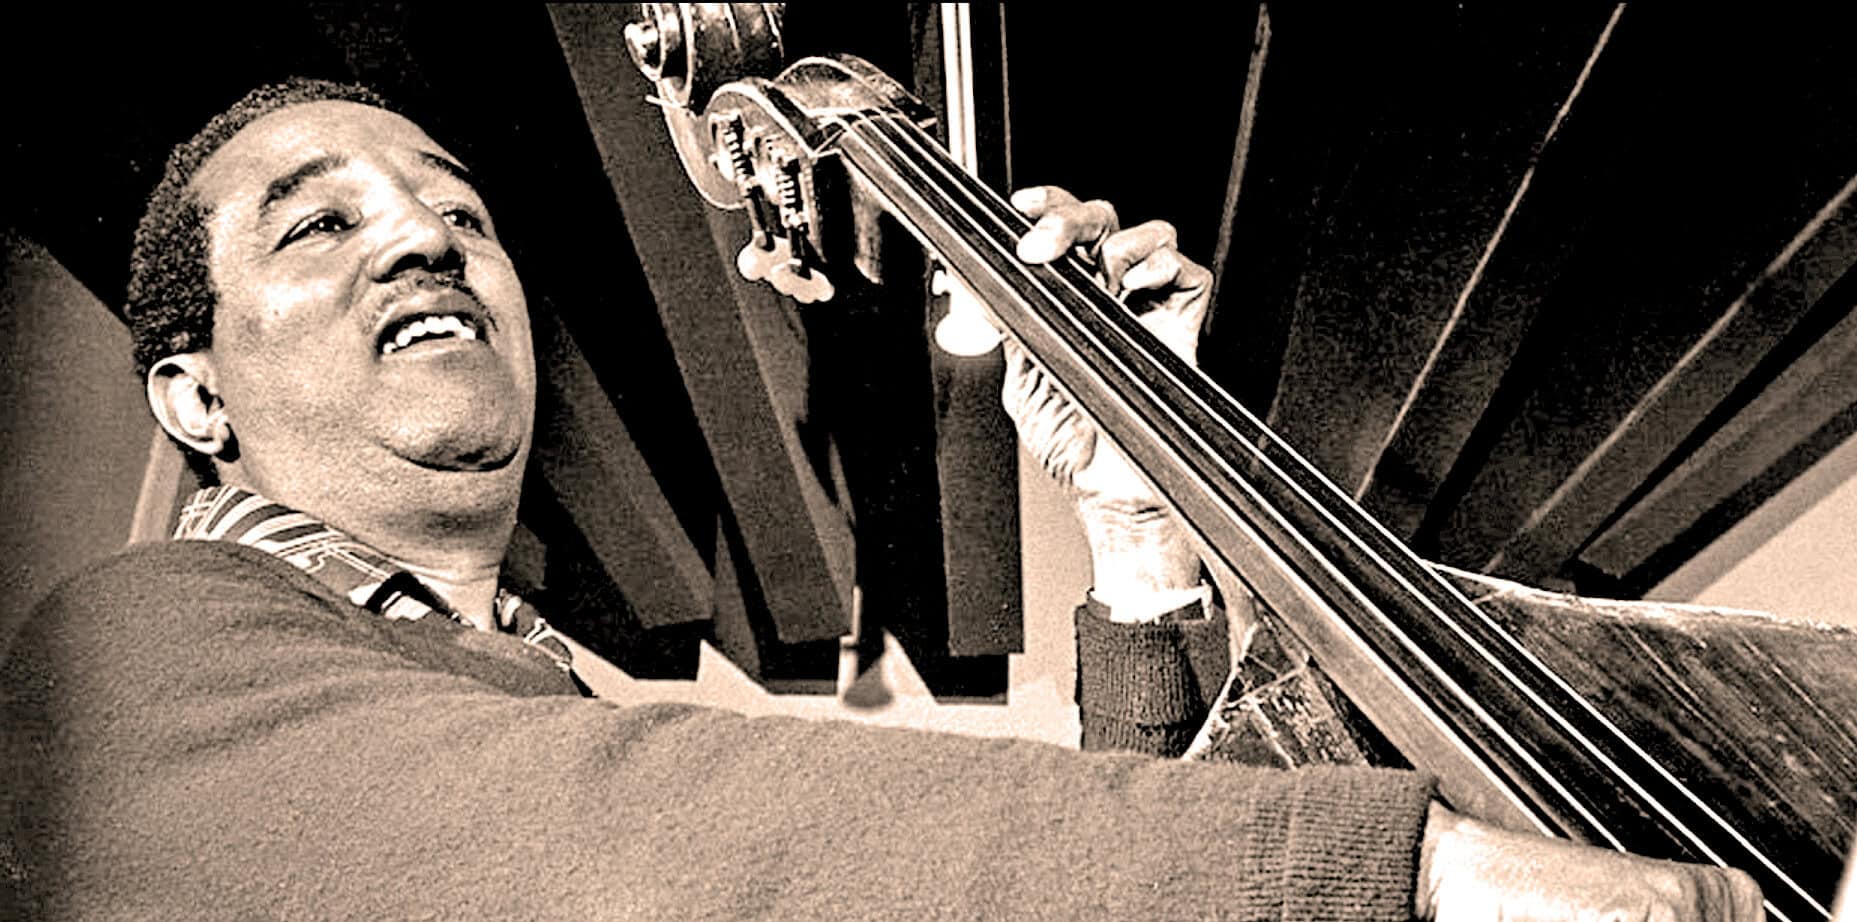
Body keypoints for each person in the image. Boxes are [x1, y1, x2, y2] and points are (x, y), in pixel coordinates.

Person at [0, 78, 1763, 920]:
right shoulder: (132, 652)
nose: (422, 232)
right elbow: (646, 840)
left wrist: (1143, 536)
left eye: (459, 208)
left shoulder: (575, 688)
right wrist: (1406, 874)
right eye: (319, 221)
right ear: (188, 394)